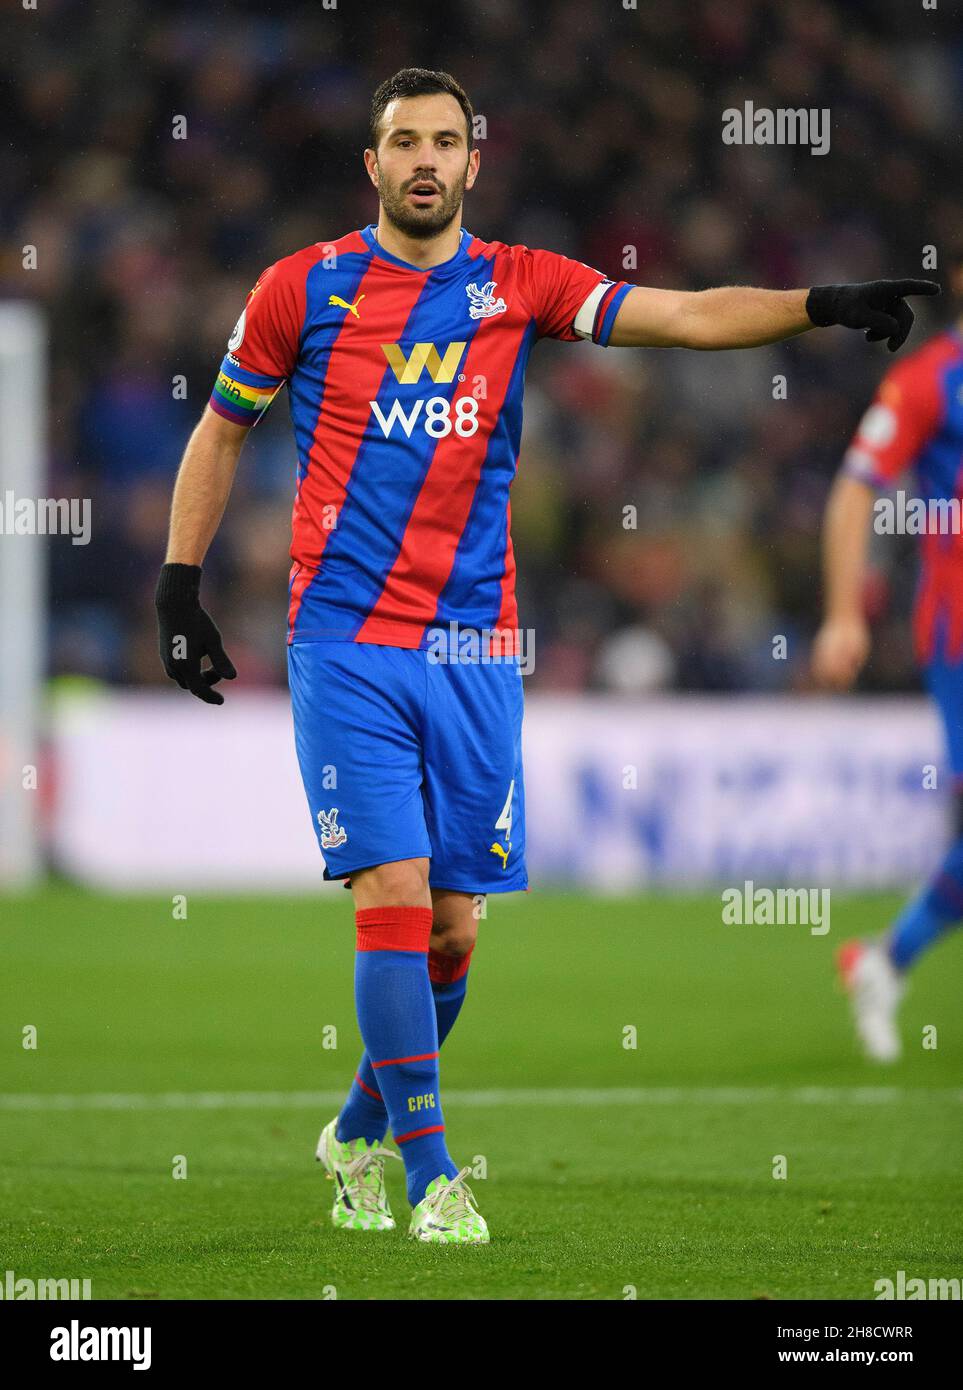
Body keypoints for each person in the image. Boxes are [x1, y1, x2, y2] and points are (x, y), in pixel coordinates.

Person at [155, 66, 937, 1241]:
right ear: (372, 165)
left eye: (446, 142)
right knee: (393, 894)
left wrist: (817, 302)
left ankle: (355, 1132)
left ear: (477, 161)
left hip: (475, 647)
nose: (425, 160)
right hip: (348, 642)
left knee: (453, 934)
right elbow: (221, 431)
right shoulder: (300, 289)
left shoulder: (520, 283)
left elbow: (681, 315)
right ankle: (432, 1177)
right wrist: (179, 584)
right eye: (404, 142)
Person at [812, 249, 963, 1062]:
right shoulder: (929, 380)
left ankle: (882, 959)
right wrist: (843, 612)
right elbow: (854, 486)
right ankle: (884, 959)